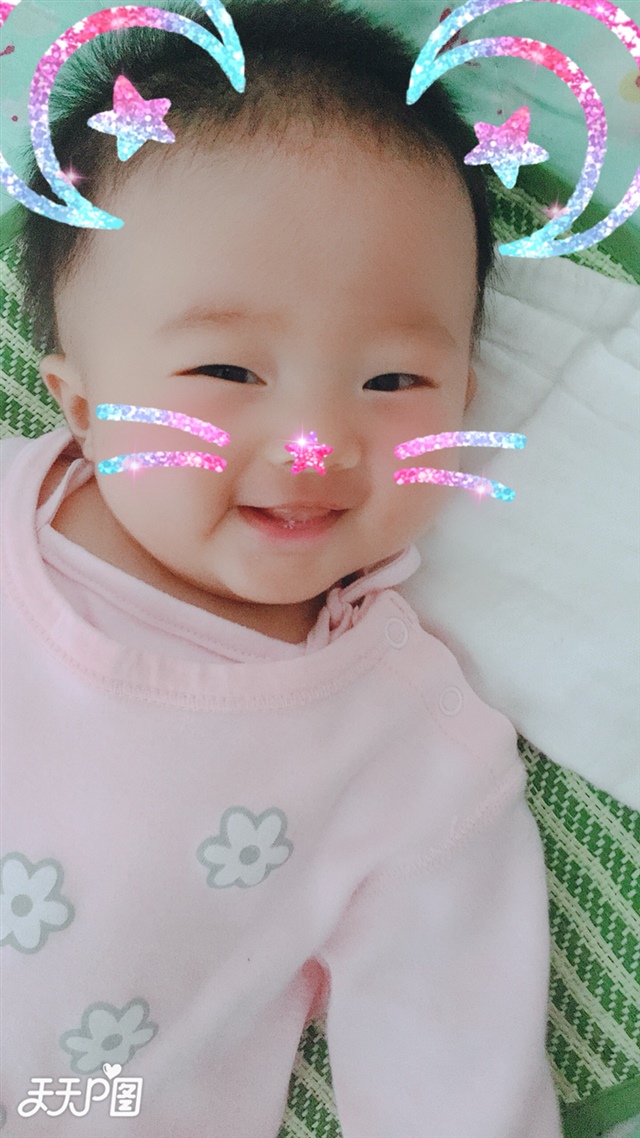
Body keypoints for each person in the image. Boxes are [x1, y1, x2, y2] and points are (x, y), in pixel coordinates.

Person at [0, 0, 563, 1134]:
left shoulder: (415, 761)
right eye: (227, 370)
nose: (314, 442)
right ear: (81, 404)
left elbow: (453, 1084)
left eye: (392, 382)